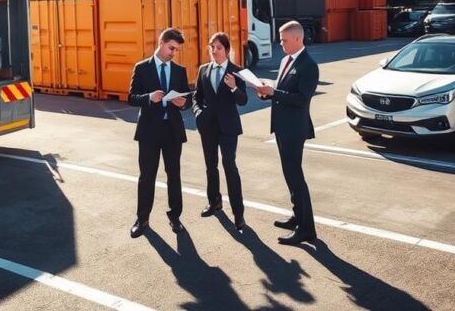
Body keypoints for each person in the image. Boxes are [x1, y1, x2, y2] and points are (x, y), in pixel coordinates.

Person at [257, 21, 319, 246]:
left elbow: (302, 99)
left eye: (284, 40)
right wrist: (266, 92)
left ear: (297, 39)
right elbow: (282, 90)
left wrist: (274, 92)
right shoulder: (286, 60)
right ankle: (297, 216)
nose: (280, 43)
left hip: (294, 128)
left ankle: (306, 229)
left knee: (295, 177)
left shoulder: (308, 65)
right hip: (282, 127)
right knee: (289, 175)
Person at [128, 28, 193, 238]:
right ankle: (142, 219)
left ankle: (175, 217)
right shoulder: (142, 68)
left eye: (176, 50)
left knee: (174, 175)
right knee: (147, 176)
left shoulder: (179, 71)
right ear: (161, 42)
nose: (174, 53)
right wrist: (149, 97)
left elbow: (188, 99)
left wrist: (183, 104)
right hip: (149, 131)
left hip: (172, 130)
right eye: (171, 48)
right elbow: (131, 98)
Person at [192, 32, 249, 232]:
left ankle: (238, 213)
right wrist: (198, 113)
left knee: (229, 166)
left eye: (218, 48)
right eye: (212, 47)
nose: (214, 51)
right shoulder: (203, 70)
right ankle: (214, 202)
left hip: (228, 127)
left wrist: (234, 88)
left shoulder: (237, 71)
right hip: (207, 126)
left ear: (226, 50)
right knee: (210, 166)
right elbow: (197, 97)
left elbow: (243, 100)